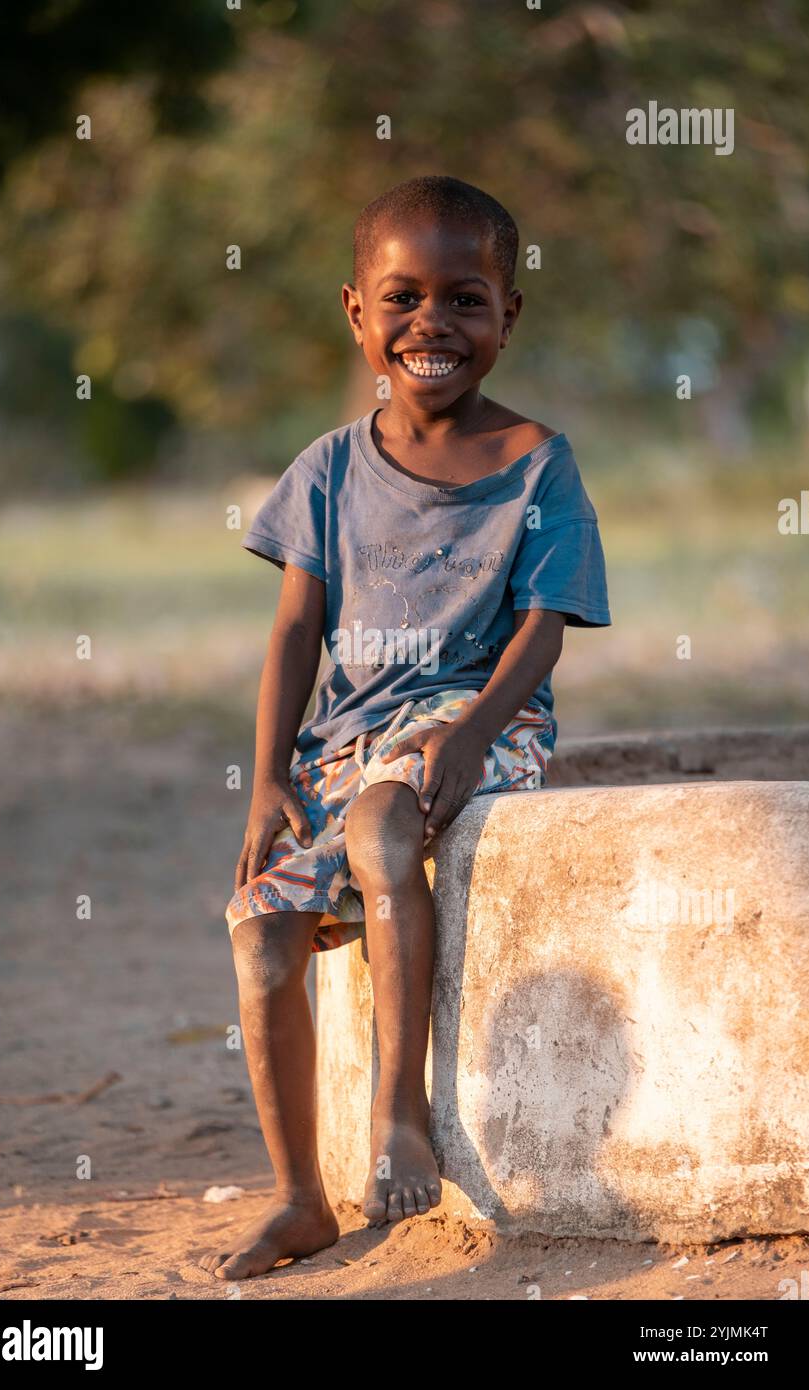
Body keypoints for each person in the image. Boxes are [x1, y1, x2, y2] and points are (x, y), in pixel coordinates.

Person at [200, 175, 611, 1281]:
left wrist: (475, 731)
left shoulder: (535, 461)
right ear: (356, 312)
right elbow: (294, 630)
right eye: (403, 297)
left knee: (388, 829)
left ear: (507, 315)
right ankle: (299, 1198)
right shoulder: (328, 470)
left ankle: (400, 1112)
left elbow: (544, 625)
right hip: (345, 740)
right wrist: (268, 777)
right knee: (259, 938)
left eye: (465, 299)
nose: (432, 323)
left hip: (480, 716)